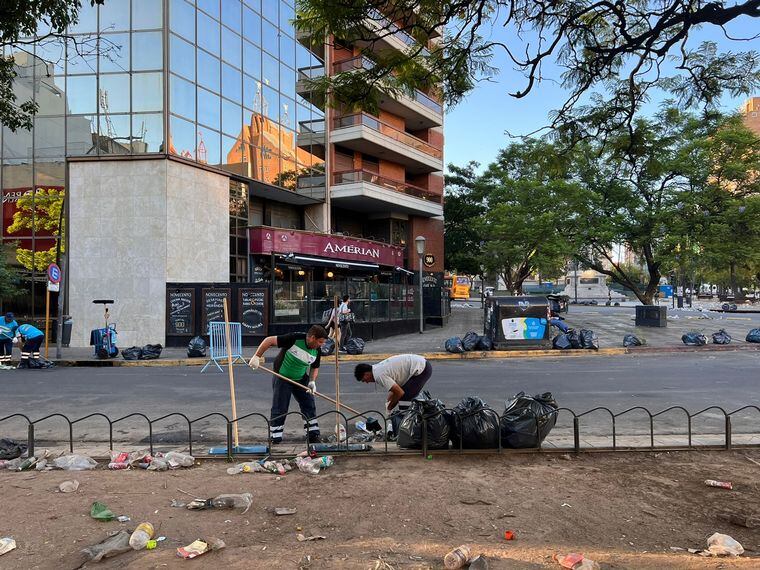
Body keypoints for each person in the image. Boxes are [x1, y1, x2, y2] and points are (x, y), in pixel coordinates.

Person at [249, 325, 328, 444]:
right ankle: (275, 437)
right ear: (312, 337)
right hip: (282, 377)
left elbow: (314, 367)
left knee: (309, 405)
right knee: (280, 408)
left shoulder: (317, 349)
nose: (321, 345)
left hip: (301, 378)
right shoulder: (294, 339)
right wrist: (257, 356)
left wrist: (312, 381)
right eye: (320, 341)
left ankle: (313, 435)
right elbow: (269, 340)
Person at [354, 354, 432, 414]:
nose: (367, 382)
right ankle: (409, 422)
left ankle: (407, 429)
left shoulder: (379, 375)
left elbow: (399, 392)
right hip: (419, 363)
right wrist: (388, 402)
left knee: (405, 398)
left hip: (422, 368)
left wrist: (389, 408)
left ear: (366, 374)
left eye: (364, 380)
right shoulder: (377, 368)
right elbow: (394, 389)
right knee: (404, 396)